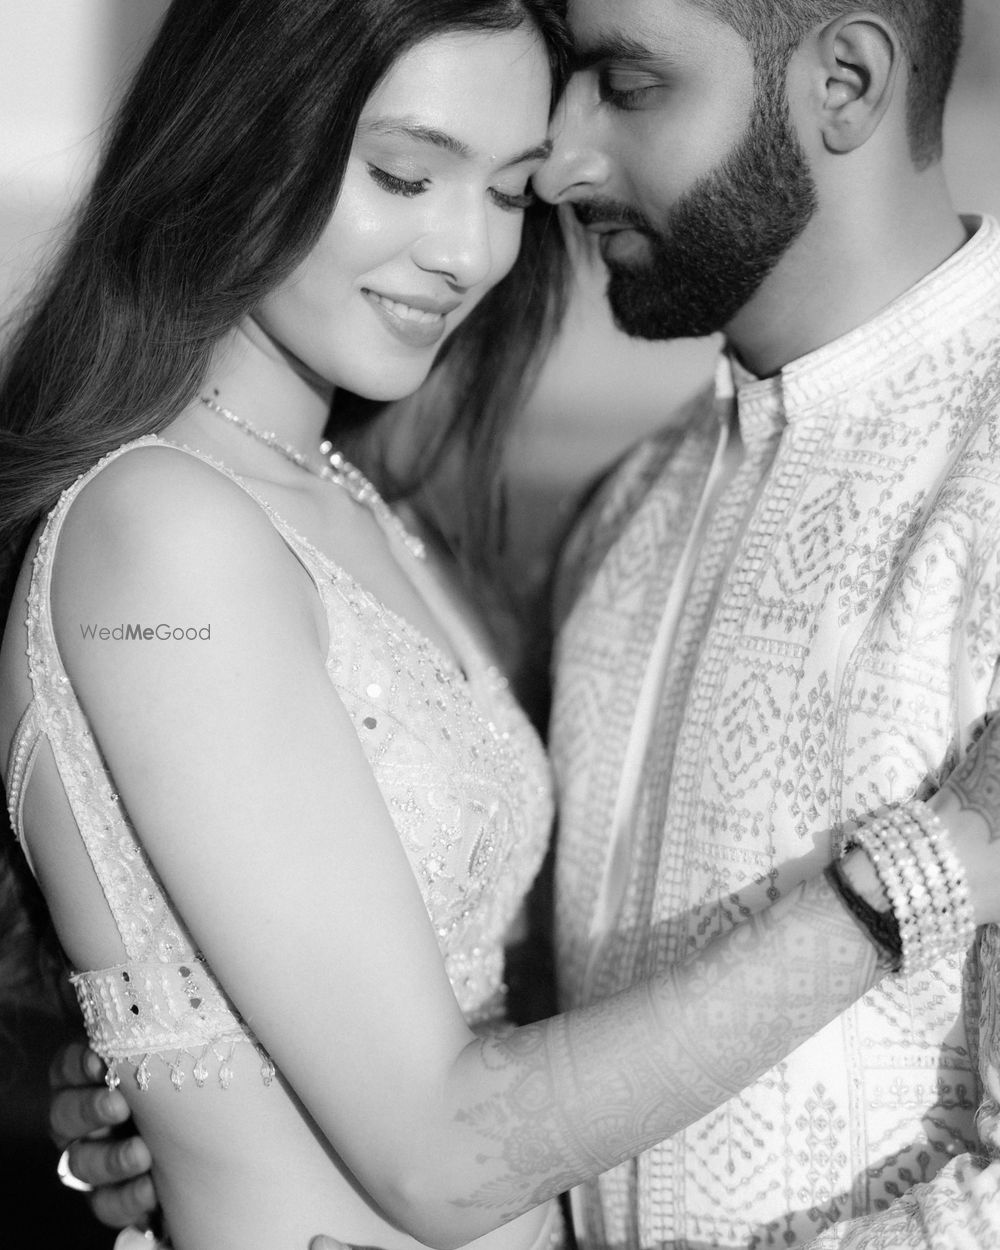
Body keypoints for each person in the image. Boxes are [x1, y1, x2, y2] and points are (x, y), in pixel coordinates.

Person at [7, 2, 993, 1250]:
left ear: (844, 80)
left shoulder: (387, 514)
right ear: (246, 130)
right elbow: (450, 1118)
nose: (477, 250)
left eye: (623, 87)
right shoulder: (632, 513)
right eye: (404, 174)